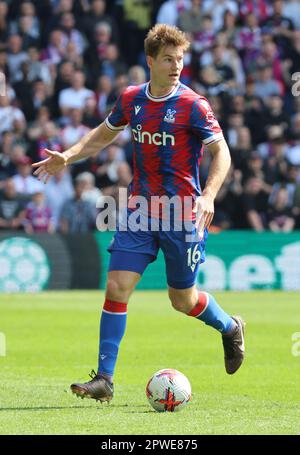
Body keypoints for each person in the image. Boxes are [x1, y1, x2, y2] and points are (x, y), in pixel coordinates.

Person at [32, 24, 245, 404]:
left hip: (182, 213)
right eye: (168, 59)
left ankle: (229, 327)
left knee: (182, 300)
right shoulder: (132, 99)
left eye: (180, 59)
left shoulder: (194, 105)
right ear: (151, 61)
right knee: (116, 287)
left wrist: (209, 195)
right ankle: (105, 379)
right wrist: (69, 154)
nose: (176, 65)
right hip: (140, 211)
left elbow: (222, 152)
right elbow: (102, 134)